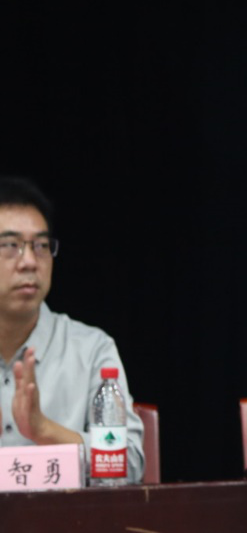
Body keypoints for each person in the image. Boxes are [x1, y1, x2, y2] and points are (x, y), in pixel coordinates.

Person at [0, 177, 145, 483]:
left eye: (41, 246)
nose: (29, 262)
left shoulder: (91, 350)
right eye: (11, 246)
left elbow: (129, 464)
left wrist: (44, 431)